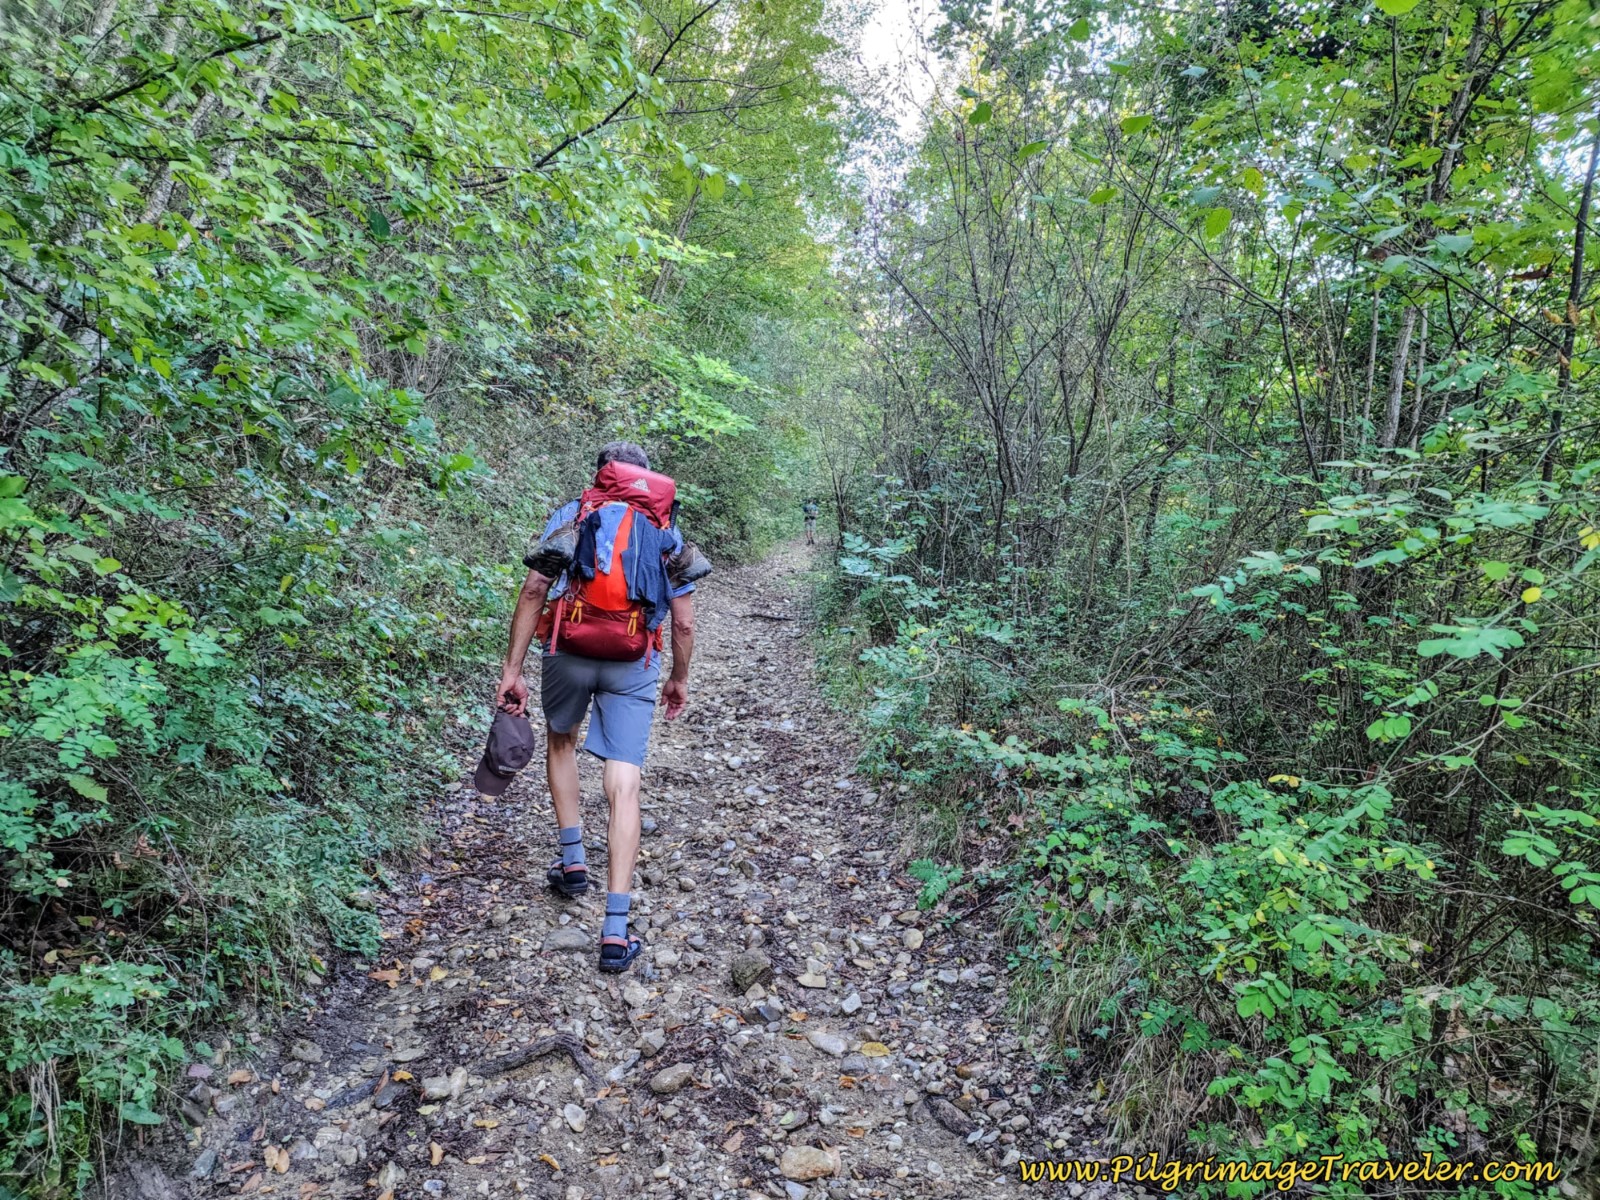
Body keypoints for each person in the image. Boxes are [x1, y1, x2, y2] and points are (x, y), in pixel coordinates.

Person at [495, 441, 699, 974]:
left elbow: (536, 587)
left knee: (561, 740)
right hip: (634, 659)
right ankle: (614, 931)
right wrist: (677, 678)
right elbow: (683, 621)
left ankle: (573, 859)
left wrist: (512, 669)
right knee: (624, 781)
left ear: (602, 474)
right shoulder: (665, 529)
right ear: (646, 479)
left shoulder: (573, 514)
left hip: (569, 648)